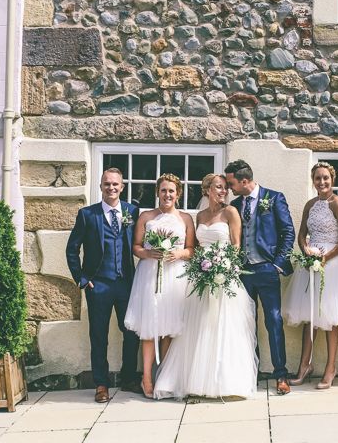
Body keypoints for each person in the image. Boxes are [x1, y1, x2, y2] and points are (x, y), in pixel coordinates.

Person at [153, 174, 259, 400]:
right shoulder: (199, 215)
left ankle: (226, 383)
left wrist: (223, 266)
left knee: (222, 328)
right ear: (207, 190)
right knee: (198, 329)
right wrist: (202, 267)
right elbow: (197, 248)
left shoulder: (230, 212)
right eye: (219, 188)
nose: (223, 192)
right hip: (201, 276)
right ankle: (194, 381)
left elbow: (237, 246)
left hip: (224, 276)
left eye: (225, 188)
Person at [65, 167, 141, 403]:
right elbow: (71, 249)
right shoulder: (88, 214)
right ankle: (101, 384)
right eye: (107, 184)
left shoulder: (132, 211)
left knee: (131, 332)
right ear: (100, 186)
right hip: (97, 285)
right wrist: (82, 278)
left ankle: (129, 378)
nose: (111, 188)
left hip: (126, 283)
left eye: (115, 184)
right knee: (99, 335)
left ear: (122, 187)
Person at [225, 159, 295, 395]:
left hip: (267, 269)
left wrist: (277, 265)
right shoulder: (234, 205)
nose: (229, 188)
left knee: (273, 321)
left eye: (232, 183)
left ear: (244, 181)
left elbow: (288, 232)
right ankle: (249, 374)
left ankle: (280, 375)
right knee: (246, 324)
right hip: (243, 272)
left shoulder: (274, 198)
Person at [124, 173, 195, 398]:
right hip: (149, 275)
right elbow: (136, 246)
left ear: (178, 194)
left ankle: (163, 376)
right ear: (157, 193)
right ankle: (146, 378)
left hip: (175, 276)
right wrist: (147, 252)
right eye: (163, 190)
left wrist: (179, 253)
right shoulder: (146, 216)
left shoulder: (185, 219)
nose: (167, 194)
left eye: (171, 191)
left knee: (169, 329)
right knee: (149, 328)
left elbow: (192, 249)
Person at [284, 162, 338, 390]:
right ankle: (305, 365)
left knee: (329, 319)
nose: (321, 182)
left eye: (325, 178)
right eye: (317, 178)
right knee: (309, 318)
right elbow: (302, 234)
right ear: (312, 181)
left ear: (332, 180)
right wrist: (306, 250)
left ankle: (331, 368)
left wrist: (325, 257)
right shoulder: (310, 204)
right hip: (310, 263)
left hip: (331, 265)